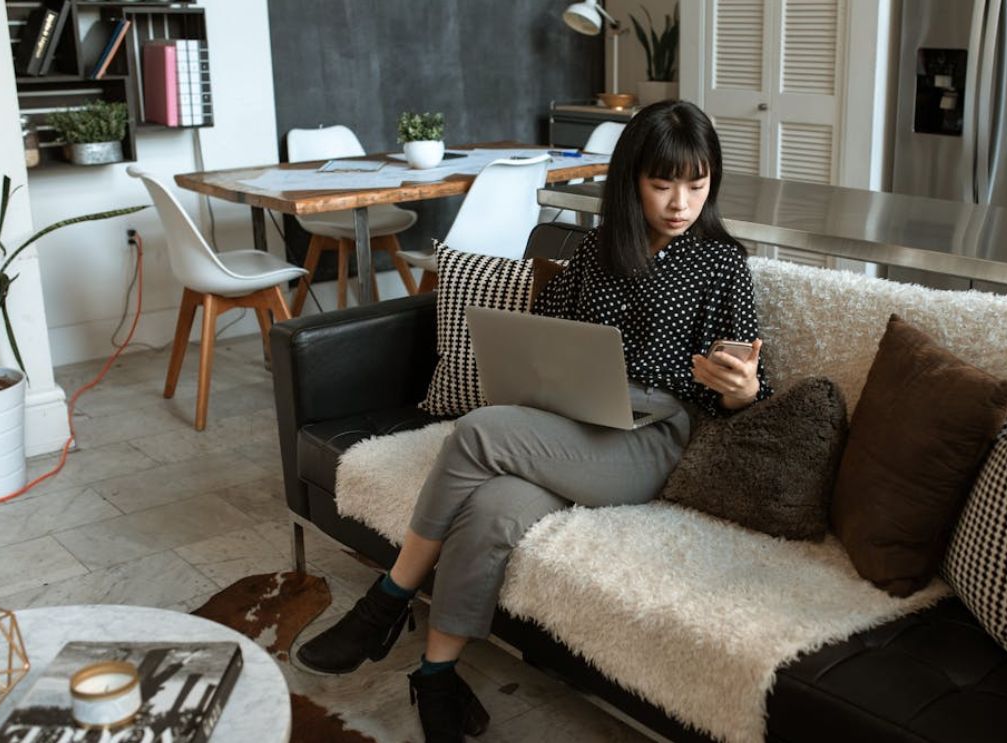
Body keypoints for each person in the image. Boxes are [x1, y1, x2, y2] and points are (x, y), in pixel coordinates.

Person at [295, 99, 772, 742]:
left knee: (478, 431)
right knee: (491, 508)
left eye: (696, 183)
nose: (680, 202)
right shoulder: (600, 252)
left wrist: (742, 388)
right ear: (632, 180)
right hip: (575, 422)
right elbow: (543, 328)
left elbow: (742, 384)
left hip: (651, 440)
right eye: (662, 184)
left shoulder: (721, 264)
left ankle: (385, 602)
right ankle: (436, 676)